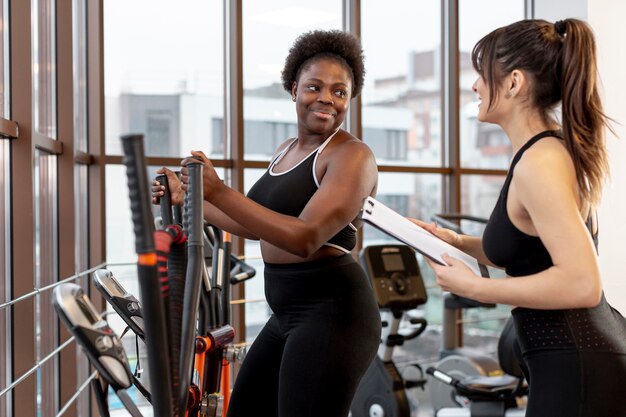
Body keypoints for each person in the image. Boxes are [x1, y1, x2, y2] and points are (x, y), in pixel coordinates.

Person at [152, 30, 381, 417]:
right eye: (314, 87)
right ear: (294, 89)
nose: (326, 98)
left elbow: (306, 238)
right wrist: (188, 200)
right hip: (288, 313)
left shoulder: (352, 156)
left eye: (339, 92)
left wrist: (220, 191)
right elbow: (254, 223)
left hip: (333, 313)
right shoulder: (287, 151)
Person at [412, 19, 626, 417]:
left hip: (577, 361)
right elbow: (533, 250)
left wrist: (477, 288)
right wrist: (457, 242)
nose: (474, 86)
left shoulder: (540, 163)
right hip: (573, 355)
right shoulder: (543, 153)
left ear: (513, 83)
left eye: (481, 75)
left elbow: (581, 282)